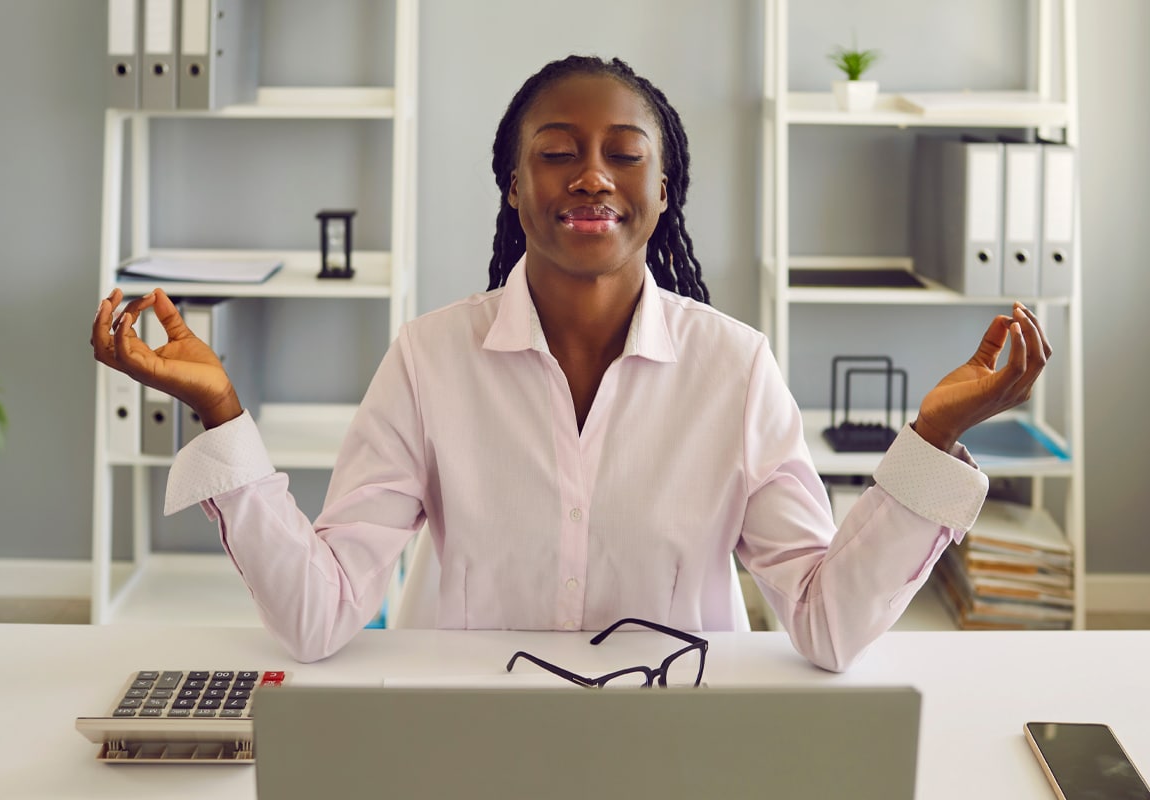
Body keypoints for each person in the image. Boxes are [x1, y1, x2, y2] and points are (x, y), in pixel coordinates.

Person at [90, 55, 1050, 670]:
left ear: (663, 189)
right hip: (460, 750)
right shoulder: (430, 359)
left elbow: (825, 624)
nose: (592, 174)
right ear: (515, 186)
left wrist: (932, 438)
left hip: (673, 748)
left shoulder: (737, 370)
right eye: (557, 153)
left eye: (624, 154)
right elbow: (321, 614)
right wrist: (222, 416)